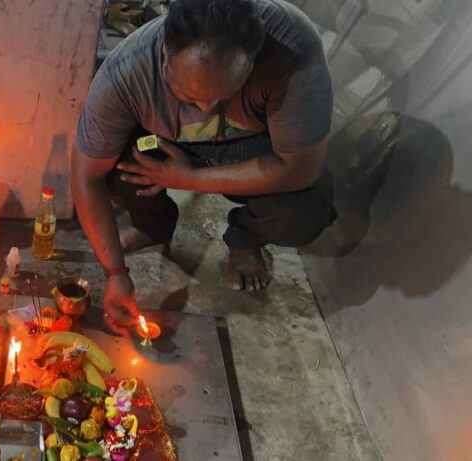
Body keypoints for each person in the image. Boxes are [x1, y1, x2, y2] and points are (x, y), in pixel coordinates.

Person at [72, 0, 336, 331]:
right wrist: (115, 272)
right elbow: (86, 177)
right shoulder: (126, 73)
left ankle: (247, 236)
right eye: (190, 96)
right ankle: (153, 223)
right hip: (163, 142)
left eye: (223, 96)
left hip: (254, 150)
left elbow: (300, 168)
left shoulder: (292, 50)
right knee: (116, 162)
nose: (206, 110)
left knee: (306, 209)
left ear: (252, 59)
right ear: (166, 55)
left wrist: (190, 179)